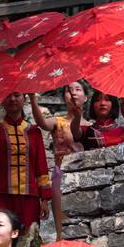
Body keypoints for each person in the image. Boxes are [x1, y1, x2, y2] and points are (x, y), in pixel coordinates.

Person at [0, 92, 52, 233]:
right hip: (0, 195)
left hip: (29, 197)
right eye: (7, 95)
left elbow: (41, 166)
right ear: (1, 101)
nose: (12, 99)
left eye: (16, 95)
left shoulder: (33, 131)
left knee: (27, 239)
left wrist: (44, 199)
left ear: (24, 99)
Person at [30, 84, 87, 239]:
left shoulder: (90, 126)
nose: (73, 93)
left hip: (85, 177)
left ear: (86, 97)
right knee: (62, 226)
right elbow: (42, 123)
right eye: (69, 90)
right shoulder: (58, 121)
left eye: (78, 89)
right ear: (64, 97)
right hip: (60, 175)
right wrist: (32, 98)